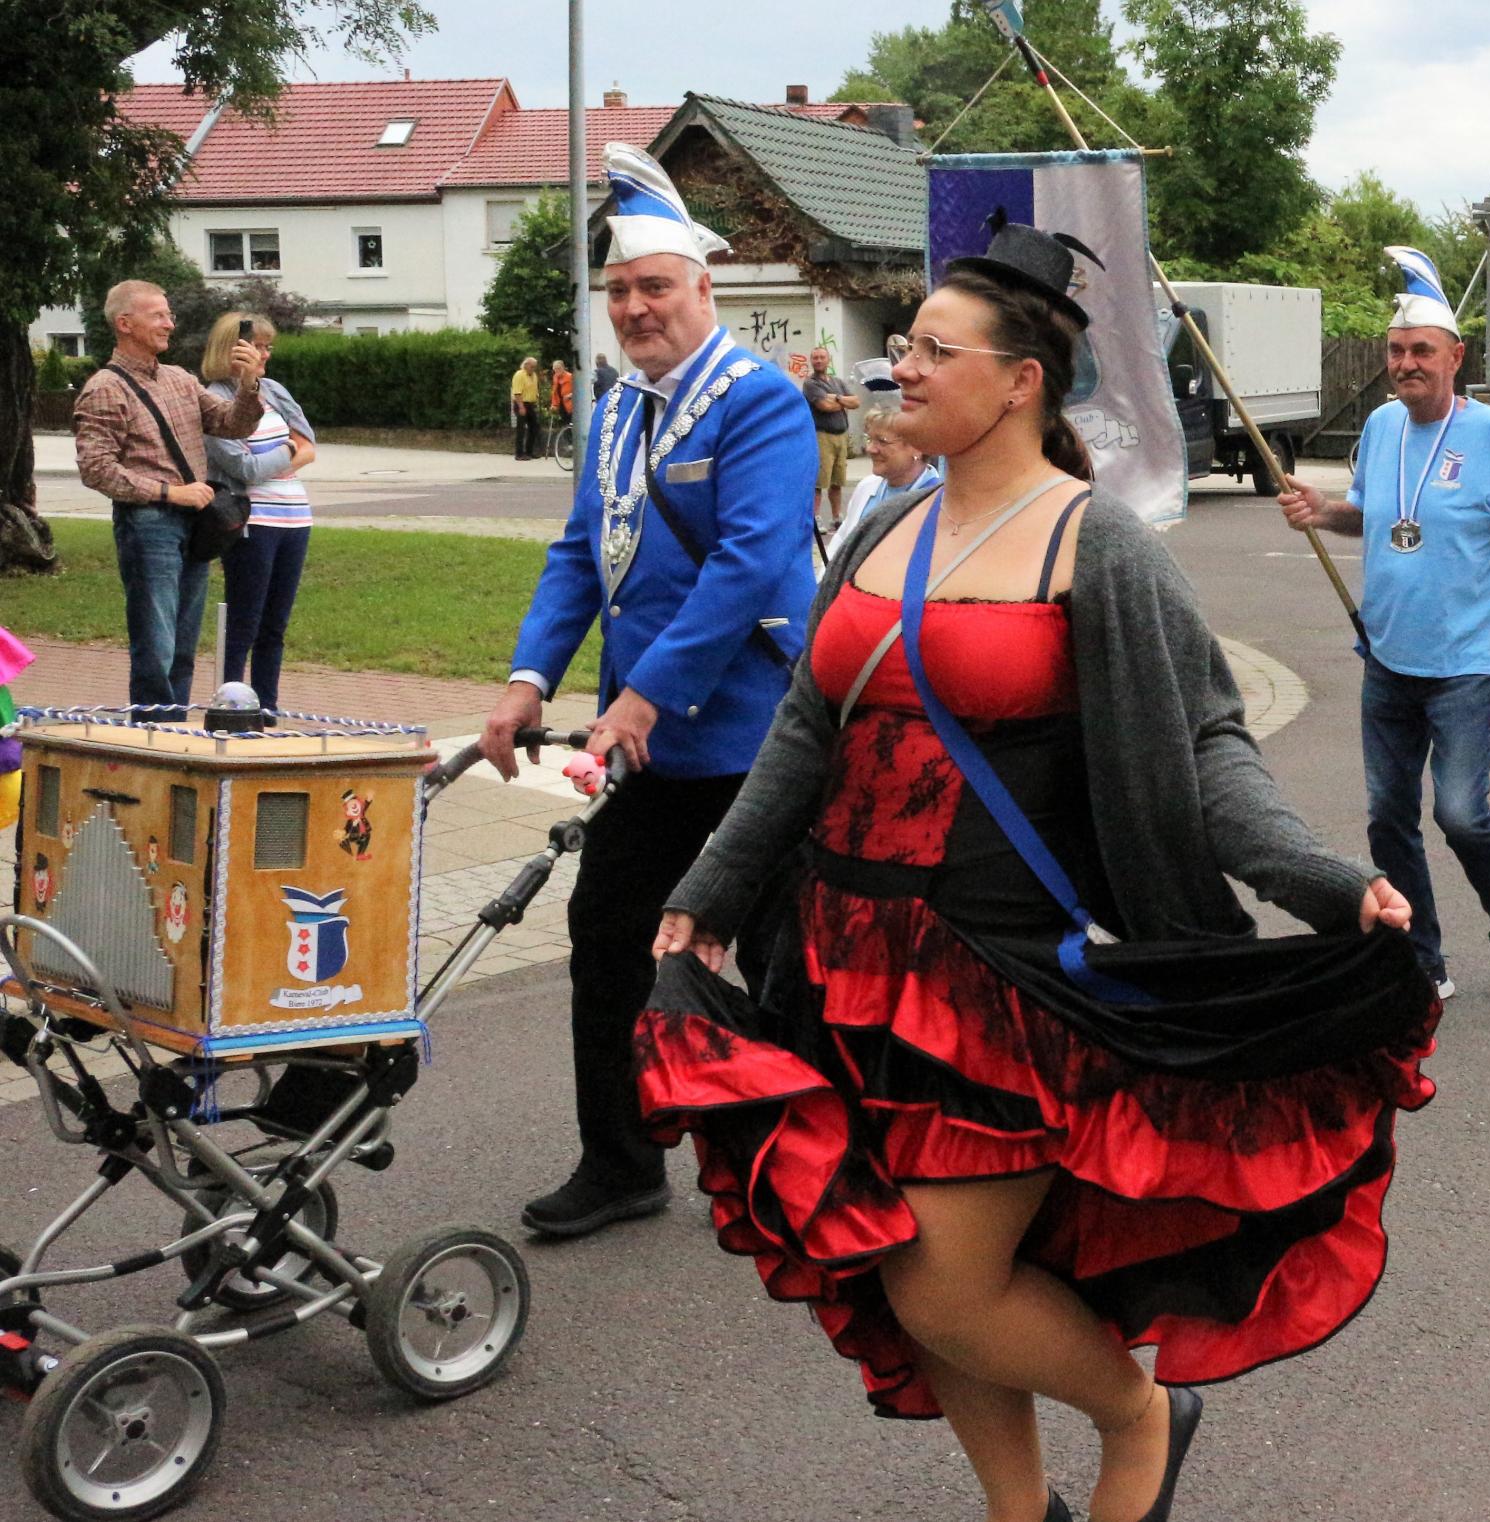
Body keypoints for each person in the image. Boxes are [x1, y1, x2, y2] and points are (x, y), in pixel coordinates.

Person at [639, 215, 1438, 1522]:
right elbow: (800, 739)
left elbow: (1205, 748)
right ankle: (1021, 1509)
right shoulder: (884, 529)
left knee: (944, 1283)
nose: (905, 367)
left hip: (998, 976)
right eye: (907, 345)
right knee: (909, 1261)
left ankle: (1138, 1416)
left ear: (1021, 380)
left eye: (936, 350)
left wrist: (1324, 881)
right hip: (846, 966)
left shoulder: (1098, 543)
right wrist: (706, 897)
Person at [477, 143, 819, 1238]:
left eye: (653, 286)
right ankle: (621, 1162)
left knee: (779, 958)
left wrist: (645, 697)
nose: (633, 307)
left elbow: (751, 564)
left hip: (752, 736)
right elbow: (580, 550)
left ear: (702, 290)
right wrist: (531, 677)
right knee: (609, 933)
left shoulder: (758, 402)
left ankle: (812, 1160)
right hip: (655, 744)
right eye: (619, 290)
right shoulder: (618, 408)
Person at [1277, 245, 1490, 999]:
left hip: (1468, 663)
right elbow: (1378, 521)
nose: (1406, 363)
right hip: (1388, 658)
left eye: (1421, 351)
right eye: (1395, 351)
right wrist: (1325, 512)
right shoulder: (1381, 429)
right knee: (1389, 817)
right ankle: (1422, 955)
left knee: (1459, 810)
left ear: (1456, 357)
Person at [71, 279, 266, 721]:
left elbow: (231, 425)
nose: (169, 323)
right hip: (148, 524)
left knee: (182, 644)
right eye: (158, 315)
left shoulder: (179, 378)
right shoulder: (105, 388)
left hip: (196, 524)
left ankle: (174, 733)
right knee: (155, 645)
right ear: (125, 323)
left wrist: (249, 383)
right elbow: (96, 469)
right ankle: (153, 737)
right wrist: (169, 491)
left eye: (169, 314)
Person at [201, 312, 316, 712]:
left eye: (269, 347)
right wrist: (286, 449)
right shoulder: (214, 400)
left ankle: (267, 711)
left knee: (275, 627)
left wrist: (281, 452)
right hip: (253, 523)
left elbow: (311, 445)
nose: (265, 355)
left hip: (295, 519)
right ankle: (232, 708)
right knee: (244, 623)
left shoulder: (275, 391)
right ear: (233, 349)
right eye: (258, 347)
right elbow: (243, 468)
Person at [824, 364, 941, 559]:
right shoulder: (867, 488)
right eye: (869, 439)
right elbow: (842, 542)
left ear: (917, 447)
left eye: (882, 441)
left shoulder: (936, 502)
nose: (870, 449)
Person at [804, 346, 859, 532]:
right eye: (815, 358)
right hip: (822, 436)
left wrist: (836, 397)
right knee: (819, 480)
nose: (818, 361)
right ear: (811, 361)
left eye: (822, 357)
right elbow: (825, 406)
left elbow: (856, 402)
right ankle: (815, 518)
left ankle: (837, 518)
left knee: (837, 481)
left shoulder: (837, 382)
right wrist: (843, 402)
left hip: (841, 436)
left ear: (828, 360)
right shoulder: (811, 384)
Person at [509, 355, 543, 459]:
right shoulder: (519, 375)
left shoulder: (534, 375)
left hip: (530, 404)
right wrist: (521, 407)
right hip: (521, 403)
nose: (533, 369)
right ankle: (519, 453)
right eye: (532, 366)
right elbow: (517, 392)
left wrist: (536, 400)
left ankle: (529, 451)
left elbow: (535, 389)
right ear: (526, 365)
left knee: (534, 427)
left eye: (534, 367)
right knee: (521, 429)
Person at [549, 358, 574, 424]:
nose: (557, 370)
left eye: (559, 368)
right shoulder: (555, 377)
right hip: (562, 405)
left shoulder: (570, 377)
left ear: (563, 367)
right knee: (565, 424)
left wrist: (570, 395)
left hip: (571, 405)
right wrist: (554, 404)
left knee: (572, 424)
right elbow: (555, 392)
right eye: (555, 369)